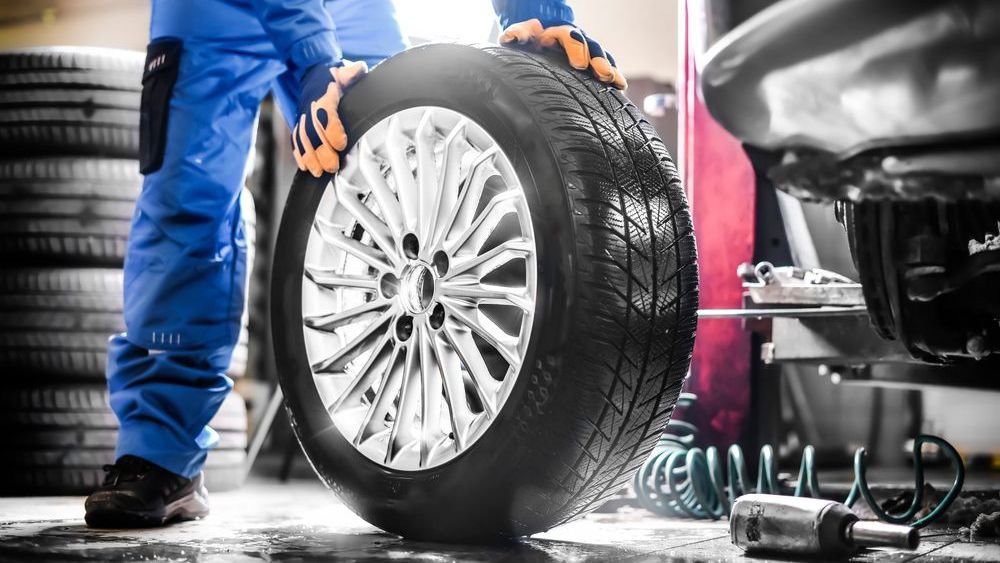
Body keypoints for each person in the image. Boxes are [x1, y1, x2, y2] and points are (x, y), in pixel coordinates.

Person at [83, 0, 626, 529]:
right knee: (184, 207)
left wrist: (540, 17)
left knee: (402, 164)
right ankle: (160, 454)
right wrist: (314, 57)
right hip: (208, 13)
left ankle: (450, 422)